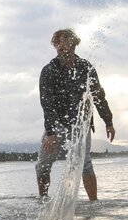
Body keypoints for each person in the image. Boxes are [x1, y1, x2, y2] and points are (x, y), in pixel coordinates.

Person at [36, 28, 115, 201]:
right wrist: (50, 133)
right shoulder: (49, 70)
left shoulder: (86, 68)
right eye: (58, 43)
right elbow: (46, 103)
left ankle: (93, 204)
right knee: (42, 165)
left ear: (74, 44)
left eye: (65, 41)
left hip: (81, 124)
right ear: (55, 46)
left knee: (85, 163)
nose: (61, 46)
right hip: (56, 124)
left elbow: (98, 96)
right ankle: (43, 201)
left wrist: (108, 121)